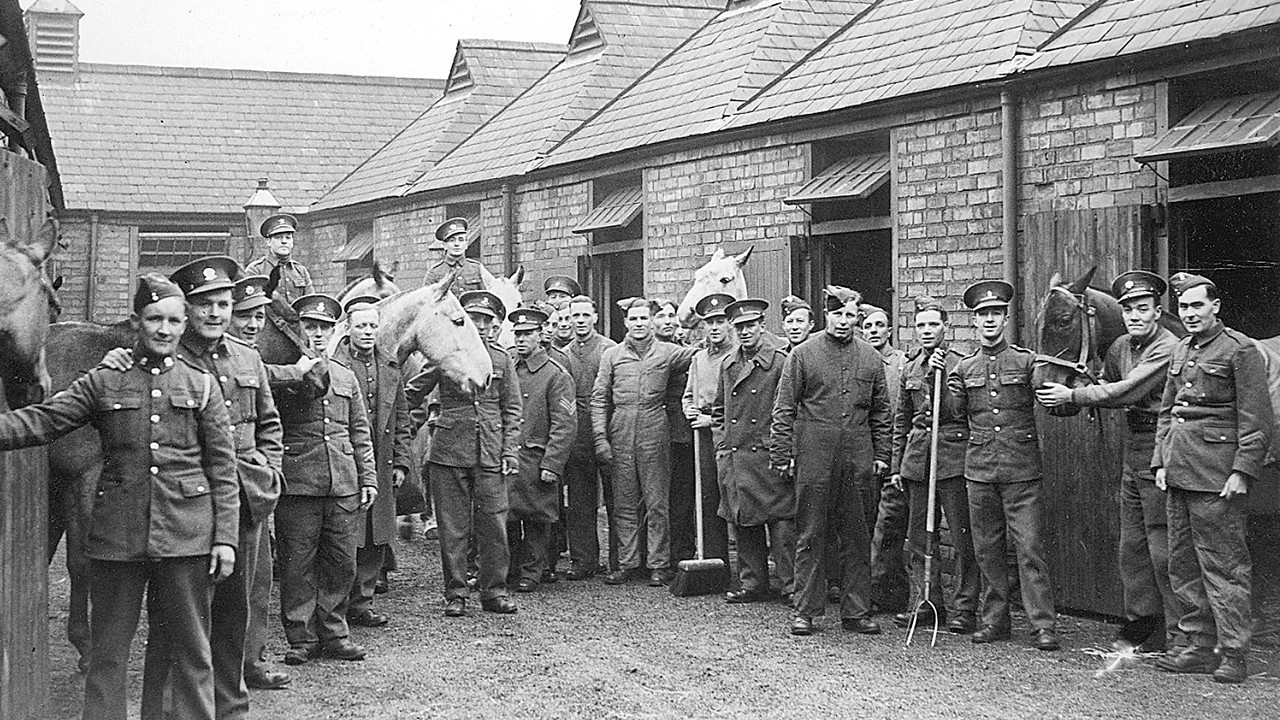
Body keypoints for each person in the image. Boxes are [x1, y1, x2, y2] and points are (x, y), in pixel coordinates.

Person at [0, 275, 239, 720]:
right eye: (153, 320)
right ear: (137, 323)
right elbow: (44, 421)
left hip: (186, 539)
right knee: (108, 657)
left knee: (192, 654)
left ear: (185, 325)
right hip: (117, 539)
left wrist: (225, 538)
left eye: (172, 320)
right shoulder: (104, 382)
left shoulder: (203, 386)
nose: (163, 330)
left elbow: (223, 471)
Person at [126, 257, 284, 720]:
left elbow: (270, 423)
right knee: (182, 621)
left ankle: (229, 706)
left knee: (238, 612)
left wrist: (269, 471)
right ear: (186, 309)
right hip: (190, 509)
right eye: (204, 305)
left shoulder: (248, 357)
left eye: (224, 304)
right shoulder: (169, 355)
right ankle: (172, 711)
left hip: (247, 503)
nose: (215, 313)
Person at [1036, 270, 1181, 651]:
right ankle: (1142, 626)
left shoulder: (1167, 347)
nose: (1133, 315)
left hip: (1161, 444)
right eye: (1128, 309)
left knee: (1163, 543)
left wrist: (1073, 397)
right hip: (1134, 446)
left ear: (1156, 311)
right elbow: (1100, 381)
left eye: (1141, 308)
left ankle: (1183, 635)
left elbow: (1125, 390)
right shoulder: (1120, 347)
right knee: (1131, 545)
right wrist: (1073, 386)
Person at [1151, 273, 1273, 684]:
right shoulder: (1181, 349)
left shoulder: (1240, 351)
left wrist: (1242, 471)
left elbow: (1257, 420)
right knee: (1183, 566)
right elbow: (1168, 413)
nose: (1189, 314)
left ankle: (1234, 652)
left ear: (1215, 307)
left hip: (1218, 477)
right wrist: (1160, 463)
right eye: (1183, 307)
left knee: (1224, 567)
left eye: (1197, 306)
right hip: (1180, 473)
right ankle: (1198, 647)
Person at [771, 285, 891, 636]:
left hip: (857, 455)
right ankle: (805, 610)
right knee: (810, 532)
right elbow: (784, 408)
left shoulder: (870, 357)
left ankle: (856, 610)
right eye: (837, 314)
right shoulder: (803, 355)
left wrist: (882, 455)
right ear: (826, 315)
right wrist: (782, 454)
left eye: (850, 315)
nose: (844, 321)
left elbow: (881, 411)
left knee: (857, 533)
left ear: (858, 317)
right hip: (814, 454)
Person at [949, 280, 1060, 651]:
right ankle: (995, 620)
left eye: (995, 314)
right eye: (982, 315)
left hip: (1021, 470)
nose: (989, 321)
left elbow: (1053, 402)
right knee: (987, 549)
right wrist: (945, 381)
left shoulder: (1027, 362)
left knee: (1029, 548)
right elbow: (953, 413)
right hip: (979, 470)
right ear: (974, 322)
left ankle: (1043, 625)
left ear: (1006, 319)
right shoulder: (963, 368)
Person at [275, 294, 378, 665]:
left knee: (341, 562)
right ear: (298, 330)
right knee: (298, 563)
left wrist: (368, 478)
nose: (316, 334)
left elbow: (359, 433)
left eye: (323, 328)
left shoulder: (346, 376)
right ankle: (301, 638)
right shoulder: (285, 373)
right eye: (309, 327)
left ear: (335, 332)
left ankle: (334, 633)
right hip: (299, 484)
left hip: (343, 483)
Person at [408, 290, 522, 616]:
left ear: (495, 325)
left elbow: (512, 409)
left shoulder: (501, 360)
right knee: (452, 527)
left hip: (490, 452)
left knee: (494, 526)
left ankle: (494, 592)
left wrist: (509, 451)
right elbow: (412, 392)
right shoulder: (447, 355)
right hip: (449, 452)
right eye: (475, 321)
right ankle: (456, 594)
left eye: (487, 322)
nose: (481, 328)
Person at [592, 297, 696, 587]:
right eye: (633, 319)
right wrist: (601, 438)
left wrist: (696, 322)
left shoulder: (668, 352)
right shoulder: (611, 356)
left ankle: (658, 564)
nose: (638, 324)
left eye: (643, 319)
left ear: (653, 321)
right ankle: (627, 563)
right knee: (624, 501)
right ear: (625, 322)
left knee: (657, 500)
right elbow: (599, 398)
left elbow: (700, 354)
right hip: (621, 427)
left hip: (655, 427)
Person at [889, 296, 978, 634]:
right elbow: (903, 419)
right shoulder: (910, 367)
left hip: (952, 461)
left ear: (946, 328)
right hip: (918, 461)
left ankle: (966, 608)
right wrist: (898, 465)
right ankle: (926, 601)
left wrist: (938, 378)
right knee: (919, 538)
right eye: (921, 325)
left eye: (933, 325)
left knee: (960, 537)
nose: (927, 331)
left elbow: (957, 412)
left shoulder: (959, 364)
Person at [332, 296, 412, 629]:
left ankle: (362, 603)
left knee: (376, 532)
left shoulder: (390, 365)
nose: (367, 332)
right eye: (361, 326)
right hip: (344, 458)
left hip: (381, 457)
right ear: (347, 328)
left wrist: (401, 463)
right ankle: (337, 604)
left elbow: (403, 418)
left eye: (372, 326)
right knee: (344, 533)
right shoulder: (334, 363)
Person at [712, 298, 794, 603]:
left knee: (782, 524)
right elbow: (719, 411)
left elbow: (791, 410)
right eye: (739, 327)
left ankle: (791, 585)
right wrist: (722, 444)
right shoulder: (729, 364)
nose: (745, 332)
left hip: (770, 454)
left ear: (762, 326)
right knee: (743, 519)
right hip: (737, 454)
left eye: (750, 326)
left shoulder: (781, 362)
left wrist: (785, 452)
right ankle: (753, 583)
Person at [506, 306, 576, 592]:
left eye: (527, 334)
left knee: (536, 520)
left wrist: (552, 464)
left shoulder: (555, 374)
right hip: (509, 458)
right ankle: (509, 569)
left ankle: (532, 572)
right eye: (518, 334)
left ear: (541, 335)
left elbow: (565, 424)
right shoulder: (508, 367)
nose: (521, 339)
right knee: (507, 517)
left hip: (537, 459)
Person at [562, 295, 617, 580]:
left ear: (595, 317)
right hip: (576, 435)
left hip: (607, 429)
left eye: (585, 315)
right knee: (581, 501)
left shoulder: (609, 349)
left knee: (615, 497)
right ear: (569, 319)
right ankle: (583, 560)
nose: (580, 321)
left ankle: (620, 559)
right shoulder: (564, 354)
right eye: (575, 316)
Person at [679, 293, 735, 567]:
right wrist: (689, 409)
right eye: (709, 322)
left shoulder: (738, 357)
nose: (714, 327)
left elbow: (742, 405)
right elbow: (688, 395)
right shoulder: (699, 359)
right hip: (703, 438)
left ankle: (749, 569)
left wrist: (711, 421)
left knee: (734, 497)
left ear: (730, 324)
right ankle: (715, 562)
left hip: (729, 435)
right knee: (708, 498)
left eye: (720, 321)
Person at [861, 304, 910, 613]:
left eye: (880, 325)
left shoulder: (901, 364)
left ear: (889, 330)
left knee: (890, 526)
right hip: (867, 453)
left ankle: (884, 592)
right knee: (867, 525)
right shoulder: (860, 361)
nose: (874, 330)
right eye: (868, 326)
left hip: (894, 455)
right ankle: (876, 591)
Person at [245, 213, 313, 306]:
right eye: (278, 237)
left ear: (292, 242)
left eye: (288, 237)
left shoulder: (301, 271)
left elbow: (310, 303)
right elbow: (252, 305)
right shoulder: (256, 270)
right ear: (269, 241)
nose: (284, 241)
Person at [422, 218, 486, 295]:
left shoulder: (477, 269)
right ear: (444, 245)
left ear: (466, 244)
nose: (456, 244)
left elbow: (486, 297)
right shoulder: (434, 272)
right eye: (452, 240)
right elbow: (426, 301)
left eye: (461, 240)